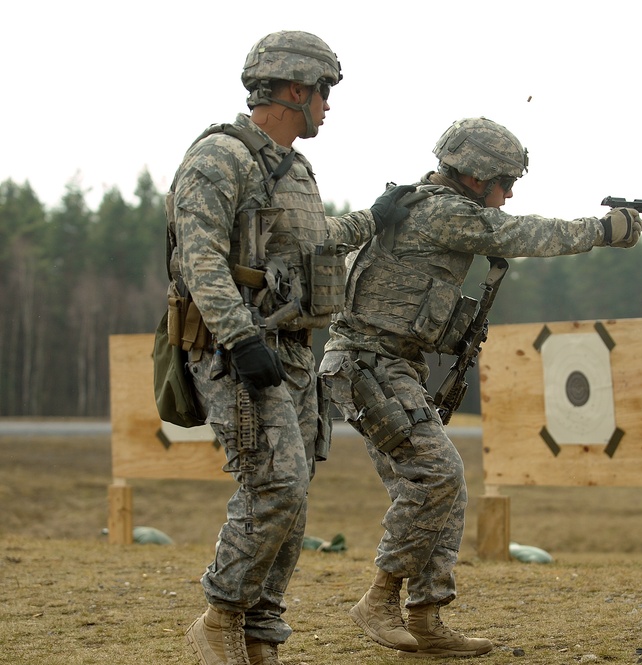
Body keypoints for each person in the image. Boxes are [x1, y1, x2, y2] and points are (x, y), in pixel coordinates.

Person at [318, 116, 642, 658]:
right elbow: (522, 234)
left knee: (440, 485)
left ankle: (426, 617)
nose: (510, 192)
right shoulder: (443, 211)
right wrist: (604, 230)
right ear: (476, 176)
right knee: (436, 475)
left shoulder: (423, 204)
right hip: (368, 365)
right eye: (505, 180)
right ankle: (380, 600)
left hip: (385, 366)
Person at [168, 31, 412, 665]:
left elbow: (317, 241)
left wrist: (375, 218)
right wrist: (242, 338)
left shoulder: (292, 166)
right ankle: (219, 619)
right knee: (274, 484)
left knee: (294, 494)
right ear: (296, 90)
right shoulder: (219, 158)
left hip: (295, 352)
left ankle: (260, 633)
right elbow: (201, 260)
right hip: (240, 353)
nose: (329, 106)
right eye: (325, 92)